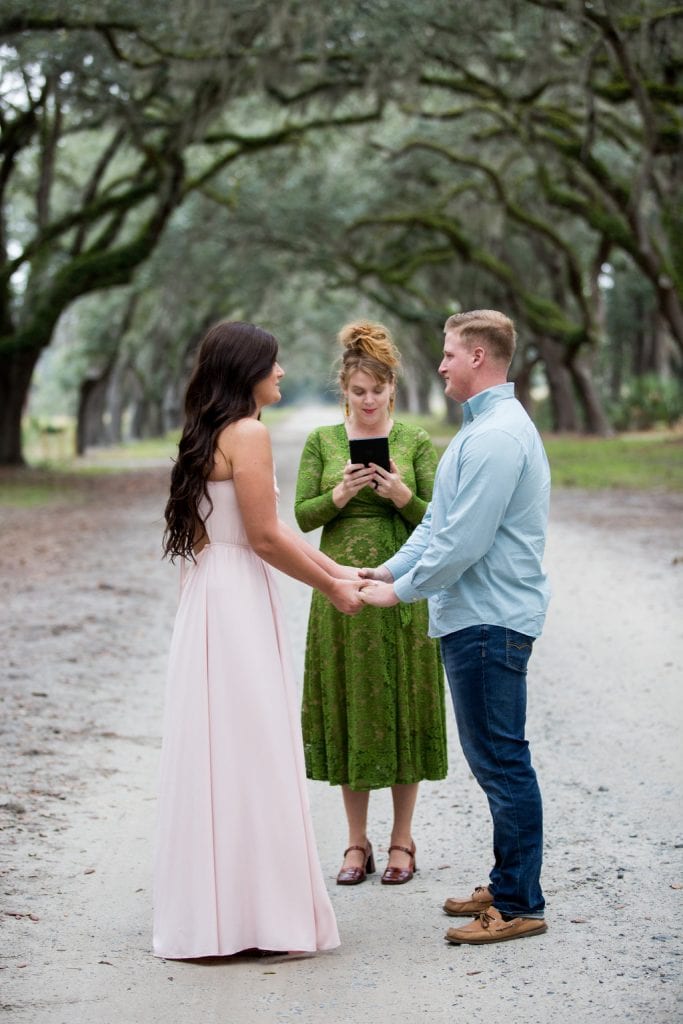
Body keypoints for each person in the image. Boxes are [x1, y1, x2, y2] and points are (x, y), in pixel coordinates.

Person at [154, 320, 364, 959]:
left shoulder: (206, 433)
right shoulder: (247, 433)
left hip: (210, 594)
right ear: (247, 371)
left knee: (223, 749)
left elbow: (249, 532)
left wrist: (338, 569)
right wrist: (331, 590)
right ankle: (260, 916)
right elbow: (266, 537)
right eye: (272, 365)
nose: (280, 373)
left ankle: (219, 916)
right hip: (238, 598)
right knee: (254, 747)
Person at [360, 309, 551, 944]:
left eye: (448, 354)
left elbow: (463, 542)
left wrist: (401, 595)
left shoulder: (497, 437)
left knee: (502, 761)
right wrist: (383, 573)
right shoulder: (479, 431)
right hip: (474, 618)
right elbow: (436, 525)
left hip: (490, 620)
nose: (439, 365)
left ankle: (521, 904)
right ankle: (508, 881)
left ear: (478, 357)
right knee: (494, 758)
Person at [294, 320, 448, 887]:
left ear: (391, 390)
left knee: (403, 700)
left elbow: (437, 516)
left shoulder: (415, 441)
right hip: (341, 584)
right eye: (357, 392)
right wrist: (341, 492)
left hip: (402, 586)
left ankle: (401, 839)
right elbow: (301, 517)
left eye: (376, 392)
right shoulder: (321, 441)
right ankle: (355, 842)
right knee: (353, 702)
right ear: (345, 390)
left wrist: (400, 494)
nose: (367, 402)